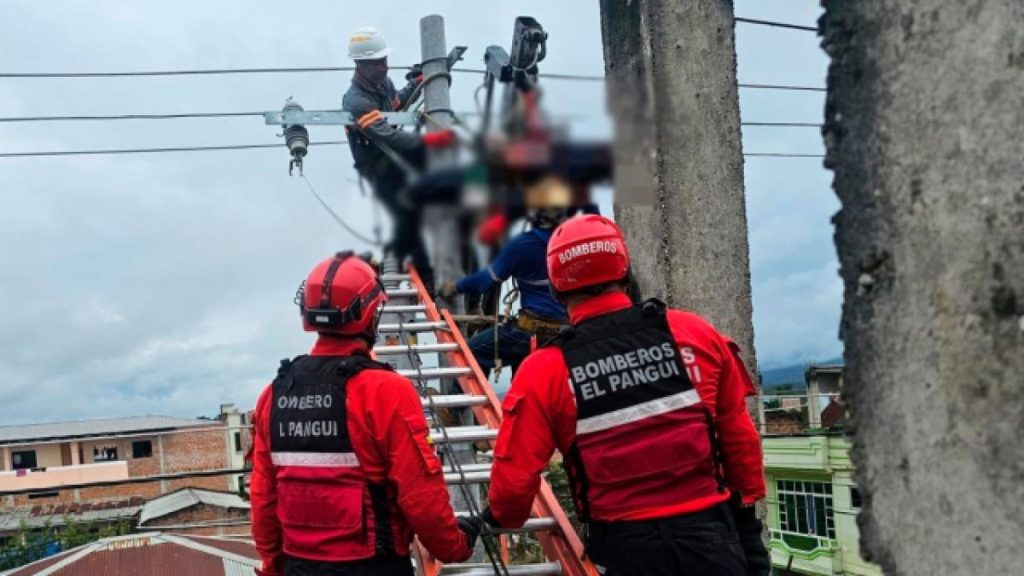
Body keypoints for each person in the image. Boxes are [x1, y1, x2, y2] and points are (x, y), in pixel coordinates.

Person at [480, 215, 770, 576]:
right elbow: (740, 446)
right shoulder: (695, 335)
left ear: (556, 288)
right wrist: (751, 541)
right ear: (624, 270)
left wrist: (490, 519)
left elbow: (512, 492)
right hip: (713, 543)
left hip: (624, 553)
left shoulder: (545, 371)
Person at [249, 252, 479, 576]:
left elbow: (264, 500)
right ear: (371, 312)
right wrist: (456, 544)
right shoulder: (385, 392)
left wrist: (275, 565)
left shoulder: (274, 395)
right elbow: (421, 496)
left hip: (297, 567)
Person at [342, 26, 457, 291]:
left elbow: (396, 106)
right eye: (378, 62)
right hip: (376, 165)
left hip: (394, 157)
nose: (385, 66)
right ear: (361, 64)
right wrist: (429, 141)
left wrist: (417, 83)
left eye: (385, 59)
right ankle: (429, 281)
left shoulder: (384, 84)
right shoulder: (356, 102)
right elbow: (387, 136)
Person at [438, 176, 573, 375]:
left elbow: (485, 281)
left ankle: (454, 406)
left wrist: (455, 287)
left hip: (530, 333)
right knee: (523, 375)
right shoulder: (572, 239)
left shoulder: (523, 245)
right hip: (567, 333)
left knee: (468, 353)